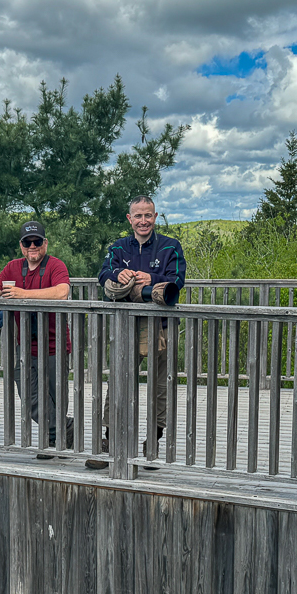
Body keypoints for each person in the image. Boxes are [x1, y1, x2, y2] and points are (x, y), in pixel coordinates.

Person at [85, 196, 185, 469]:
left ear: (155, 216)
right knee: (117, 384)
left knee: (159, 387)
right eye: (138, 216)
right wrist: (120, 276)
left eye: (148, 215)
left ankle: (152, 444)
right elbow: (103, 275)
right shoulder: (118, 247)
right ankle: (109, 443)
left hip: (159, 328)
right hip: (125, 327)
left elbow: (178, 280)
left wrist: (151, 279)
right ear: (129, 219)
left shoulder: (170, 246)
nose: (143, 221)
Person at [0, 220, 74, 457]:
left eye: (37, 241)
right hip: (24, 345)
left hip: (55, 345)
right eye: (27, 242)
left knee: (56, 396)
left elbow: (62, 292)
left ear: (45, 243)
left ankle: (52, 441)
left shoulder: (56, 265)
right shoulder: (13, 267)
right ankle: (65, 429)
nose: (32, 246)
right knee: (29, 396)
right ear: (21, 246)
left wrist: (23, 295)